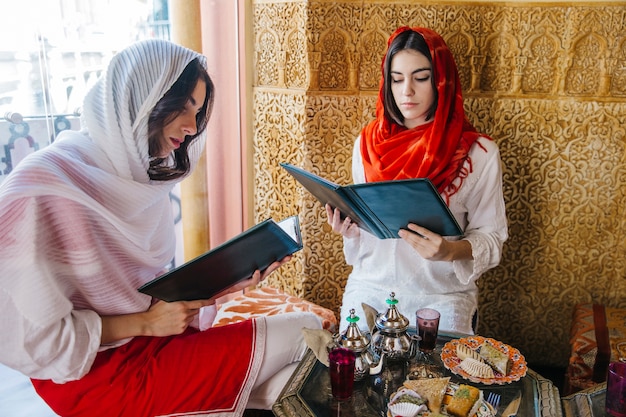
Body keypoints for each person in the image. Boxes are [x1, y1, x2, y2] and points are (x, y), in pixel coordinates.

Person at [0, 39, 321, 416]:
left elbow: (146, 292)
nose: (190, 127)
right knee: (308, 329)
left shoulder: (139, 180)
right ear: (141, 97)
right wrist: (146, 324)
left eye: (198, 112)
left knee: (289, 384)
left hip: (153, 340)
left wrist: (228, 282)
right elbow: (29, 337)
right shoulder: (39, 186)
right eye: (184, 108)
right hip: (91, 375)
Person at [326, 26, 508, 335]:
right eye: (397, 79)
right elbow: (370, 228)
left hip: (441, 297)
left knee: (438, 382)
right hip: (370, 287)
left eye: (421, 78)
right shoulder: (368, 143)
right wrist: (349, 229)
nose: (406, 91)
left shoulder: (479, 154)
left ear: (442, 82)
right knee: (355, 374)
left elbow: (491, 238)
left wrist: (449, 252)